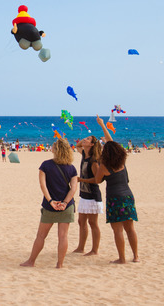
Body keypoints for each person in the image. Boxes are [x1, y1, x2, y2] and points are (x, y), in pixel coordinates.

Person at [20, 138, 78, 268]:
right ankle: (60, 264)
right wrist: (64, 202)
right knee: (63, 236)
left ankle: (31, 261)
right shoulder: (72, 168)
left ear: (55, 150)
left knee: (41, 235)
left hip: (49, 205)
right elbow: (73, 188)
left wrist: (51, 201)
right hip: (66, 205)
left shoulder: (46, 165)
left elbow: (43, 185)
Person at [91, 115, 139, 264]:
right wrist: (103, 126)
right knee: (130, 229)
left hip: (114, 198)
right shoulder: (122, 162)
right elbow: (111, 142)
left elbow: (97, 181)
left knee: (117, 230)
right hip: (128, 196)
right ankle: (136, 257)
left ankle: (122, 259)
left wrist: (95, 167)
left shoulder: (105, 166)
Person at [73, 135, 103, 256]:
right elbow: (77, 145)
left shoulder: (93, 160)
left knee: (93, 223)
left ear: (92, 145)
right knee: (81, 221)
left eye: (88, 139)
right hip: (84, 194)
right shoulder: (84, 155)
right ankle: (81, 247)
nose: (84, 139)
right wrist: (86, 141)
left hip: (92, 195)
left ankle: (94, 250)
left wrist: (81, 180)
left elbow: (97, 180)